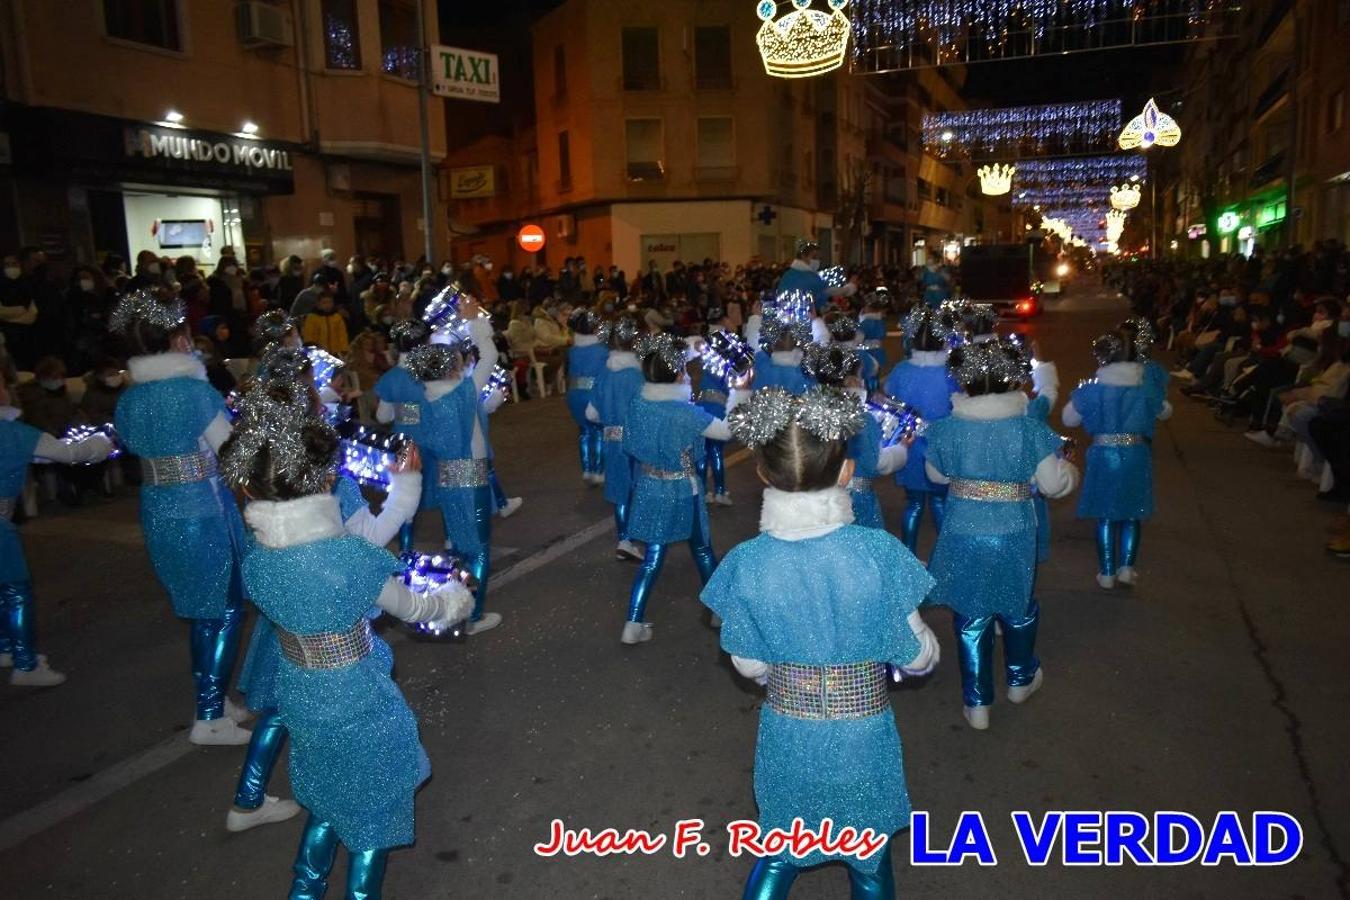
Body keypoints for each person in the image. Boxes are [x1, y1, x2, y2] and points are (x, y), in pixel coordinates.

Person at [220, 381, 470, 898]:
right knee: (373, 817)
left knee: (329, 805)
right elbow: (420, 608)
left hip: (301, 692)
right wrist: (456, 597)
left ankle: (305, 890)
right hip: (357, 699)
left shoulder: (260, 557)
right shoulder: (348, 559)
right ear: (323, 482)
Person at [702, 386, 939, 900]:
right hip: (863, 736)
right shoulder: (879, 553)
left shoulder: (746, 562)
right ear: (848, 473)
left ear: (764, 474)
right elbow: (916, 653)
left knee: (779, 849)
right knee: (870, 863)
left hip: (790, 732)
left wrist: (787, 675)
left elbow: (747, 663)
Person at [225, 352, 425, 834]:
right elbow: (365, 548)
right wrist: (404, 490)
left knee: (284, 710)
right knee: (328, 729)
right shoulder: (327, 484)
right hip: (332, 630)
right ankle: (279, 800)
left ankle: (249, 797)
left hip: (289, 622)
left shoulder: (264, 482)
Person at [111, 290, 253, 746]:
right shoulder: (194, 391)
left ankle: (211, 698)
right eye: (187, 334)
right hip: (203, 513)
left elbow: (129, 447)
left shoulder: (130, 399)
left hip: (159, 512)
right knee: (226, 610)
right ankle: (209, 716)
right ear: (176, 340)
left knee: (201, 612)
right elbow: (230, 451)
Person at [924, 340, 1079, 730]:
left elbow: (936, 476)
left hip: (962, 526)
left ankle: (977, 703)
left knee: (970, 613)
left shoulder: (947, 429)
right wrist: (1070, 471)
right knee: (1018, 606)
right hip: (1014, 529)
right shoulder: (1029, 429)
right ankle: (1020, 679)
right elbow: (1052, 484)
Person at [619, 334, 743, 645]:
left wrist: (688, 348)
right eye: (684, 370)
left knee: (653, 556)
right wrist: (740, 393)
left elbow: (663, 369)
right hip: (683, 488)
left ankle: (633, 621)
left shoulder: (639, 401)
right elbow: (727, 430)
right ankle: (720, 611)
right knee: (701, 548)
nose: (688, 374)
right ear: (677, 375)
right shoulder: (686, 412)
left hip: (649, 485)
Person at [0, 368, 112, 686]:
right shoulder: (12, 433)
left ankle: (5, 645)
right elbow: (68, 453)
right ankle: (25, 663)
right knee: (15, 590)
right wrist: (100, 444)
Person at [396, 310, 502, 636]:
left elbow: (407, 428)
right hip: (470, 473)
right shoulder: (464, 392)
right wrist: (475, 323)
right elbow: (491, 355)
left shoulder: (423, 400)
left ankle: (453, 608)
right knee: (479, 546)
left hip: (445, 475)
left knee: (458, 543)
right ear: (453, 368)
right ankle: (473, 614)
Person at [1063, 330, 1172, 590]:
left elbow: (1069, 419)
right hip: (1136, 453)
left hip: (1103, 453)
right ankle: (1127, 567)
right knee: (1132, 513)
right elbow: (1166, 412)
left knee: (1106, 514)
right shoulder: (1145, 390)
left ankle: (1107, 571)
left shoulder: (1091, 391)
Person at [802, 344, 908, 529]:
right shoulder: (862, 419)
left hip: (815, 500)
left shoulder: (808, 416)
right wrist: (902, 449)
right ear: (851, 381)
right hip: (857, 500)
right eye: (860, 377)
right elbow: (878, 462)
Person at [883, 308, 959, 554]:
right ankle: (946, 558)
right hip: (941, 444)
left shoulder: (902, 371)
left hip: (910, 443)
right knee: (939, 502)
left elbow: (891, 399)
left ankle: (909, 557)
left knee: (914, 504)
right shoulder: (950, 373)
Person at [585, 318, 646, 561]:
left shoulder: (604, 374)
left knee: (620, 490)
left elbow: (591, 413)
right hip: (635, 439)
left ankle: (624, 539)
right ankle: (641, 534)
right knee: (639, 486)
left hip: (612, 440)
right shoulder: (637, 376)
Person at [374, 320, 433, 551]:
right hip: (444, 443)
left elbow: (382, 416)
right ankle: (457, 545)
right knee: (454, 493)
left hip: (405, 446)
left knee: (404, 499)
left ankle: (406, 549)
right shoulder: (435, 373)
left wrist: (406, 411)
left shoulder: (391, 378)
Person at [565, 310, 609, 485]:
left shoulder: (573, 350)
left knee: (583, 431)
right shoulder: (602, 350)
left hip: (574, 393)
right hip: (594, 393)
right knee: (599, 430)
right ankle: (599, 471)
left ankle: (587, 469)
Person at [775, 239, 828, 314]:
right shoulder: (810, 277)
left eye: (818, 258)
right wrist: (848, 289)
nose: (817, 261)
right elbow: (826, 291)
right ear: (803, 257)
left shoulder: (788, 275)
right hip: (805, 317)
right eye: (814, 257)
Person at [301, 289, 351, 356]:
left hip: (336, 354)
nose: (327, 305)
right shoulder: (312, 318)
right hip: (319, 354)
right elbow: (308, 336)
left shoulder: (337, 317)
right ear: (318, 304)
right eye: (324, 303)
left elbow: (342, 336)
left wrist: (344, 350)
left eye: (330, 302)